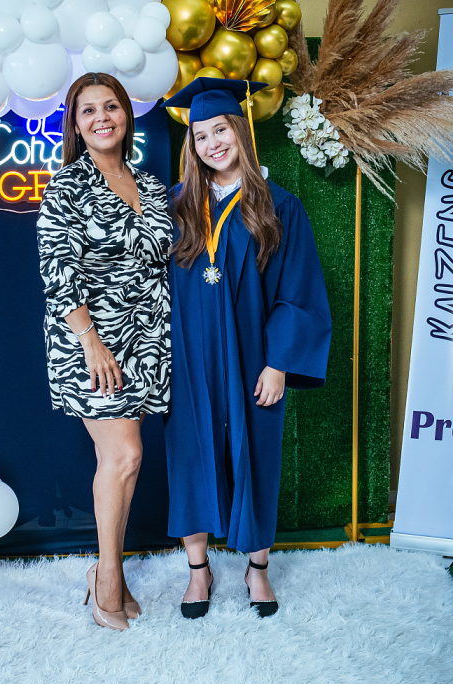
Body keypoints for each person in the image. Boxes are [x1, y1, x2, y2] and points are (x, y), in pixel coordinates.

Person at [162, 78, 332, 619]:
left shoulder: (279, 206)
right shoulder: (174, 206)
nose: (212, 143)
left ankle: (257, 568)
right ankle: (198, 570)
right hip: (187, 359)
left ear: (240, 131)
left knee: (256, 454)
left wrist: (279, 362)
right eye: (201, 135)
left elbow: (298, 290)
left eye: (221, 130)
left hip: (254, 357)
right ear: (191, 145)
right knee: (189, 454)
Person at [37, 73, 172, 631]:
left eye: (111, 106)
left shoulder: (152, 186)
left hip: (146, 342)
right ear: (75, 123)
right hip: (93, 343)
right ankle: (108, 579)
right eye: (88, 110)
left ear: (126, 114)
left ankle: (105, 571)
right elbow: (57, 272)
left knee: (124, 461)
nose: (102, 117)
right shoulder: (66, 187)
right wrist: (92, 343)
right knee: (123, 456)